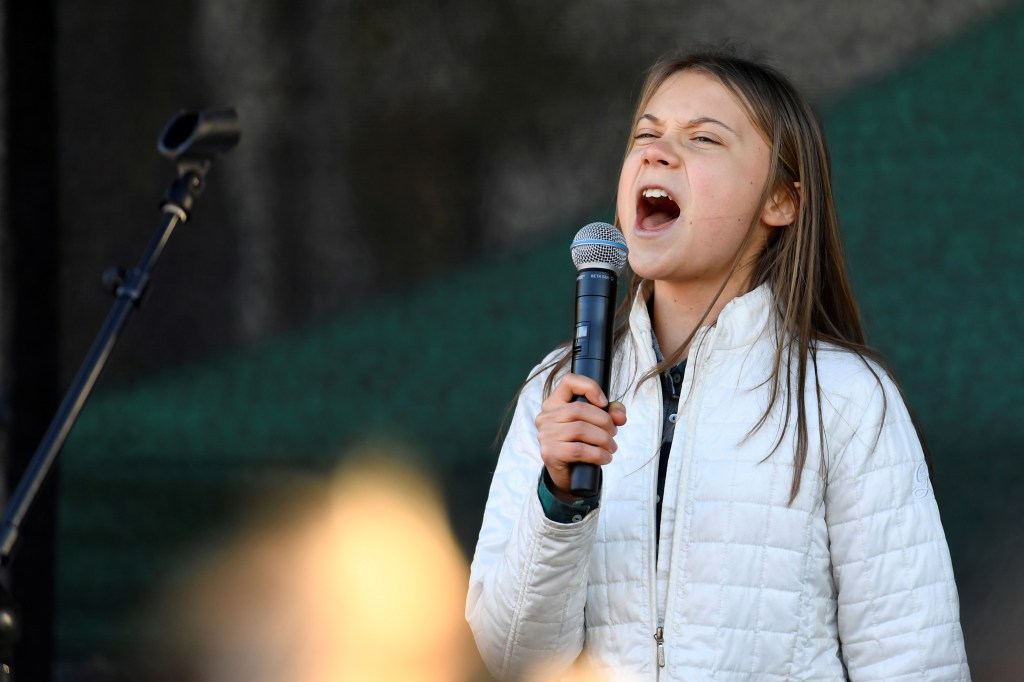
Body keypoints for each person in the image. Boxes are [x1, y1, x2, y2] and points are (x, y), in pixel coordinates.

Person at [466, 49, 970, 681]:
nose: (657, 152)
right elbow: (509, 660)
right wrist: (559, 502)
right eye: (646, 135)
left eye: (702, 138)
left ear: (782, 200)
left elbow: (914, 660)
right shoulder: (557, 389)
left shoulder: (844, 397)